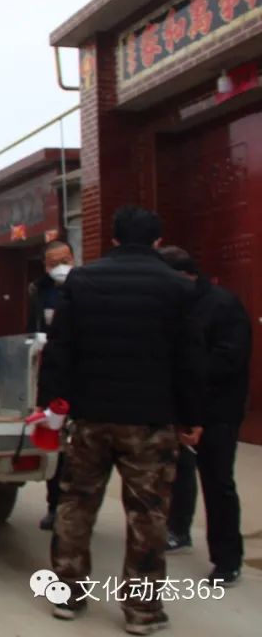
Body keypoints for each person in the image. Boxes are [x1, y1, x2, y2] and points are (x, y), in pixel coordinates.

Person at [39, 206, 204, 635]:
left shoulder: (83, 280)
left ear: (112, 239)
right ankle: (142, 612)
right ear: (156, 242)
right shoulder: (178, 287)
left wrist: (53, 404)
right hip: (150, 420)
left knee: (76, 503)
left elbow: (60, 349)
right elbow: (189, 359)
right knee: (148, 513)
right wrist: (191, 416)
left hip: (91, 416)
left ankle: (67, 595)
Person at [160, 246, 251, 587]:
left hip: (217, 410)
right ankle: (178, 530)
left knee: (217, 482)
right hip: (180, 407)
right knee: (179, 474)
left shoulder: (223, 306)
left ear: (185, 276)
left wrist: (186, 376)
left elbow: (229, 360)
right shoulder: (175, 305)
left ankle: (227, 560)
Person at [29, 240, 75, 530]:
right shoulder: (40, 291)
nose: (61, 266)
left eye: (66, 259)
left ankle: (75, 509)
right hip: (53, 378)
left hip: (82, 378)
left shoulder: (88, 285)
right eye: (54, 261)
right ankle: (54, 505)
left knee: (81, 451)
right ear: (45, 266)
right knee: (55, 445)